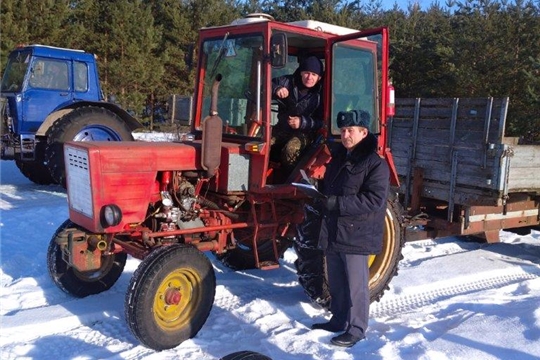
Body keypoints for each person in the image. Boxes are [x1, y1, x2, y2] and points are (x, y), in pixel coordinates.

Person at [311, 109, 390, 347]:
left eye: (351, 130)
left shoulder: (375, 164)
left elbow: (374, 201)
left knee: (356, 285)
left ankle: (356, 328)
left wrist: (336, 203)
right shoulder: (339, 158)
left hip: (358, 232)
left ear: (364, 132)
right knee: (336, 280)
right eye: (343, 130)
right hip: (335, 228)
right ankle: (338, 319)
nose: (346, 135)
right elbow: (333, 188)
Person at [270, 56, 323, 178]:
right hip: (283, 127)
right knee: (262, 143)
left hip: (306, 133)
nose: (309, 77)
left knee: (291, 149)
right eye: (307, 73)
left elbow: (323, 123)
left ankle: (289, 181)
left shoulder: (321, 94)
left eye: (314, 74)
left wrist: (302, 122)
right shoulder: (287, 81)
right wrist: (276, 89)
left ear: (319, 77)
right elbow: (264, 83)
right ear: (301, 72)